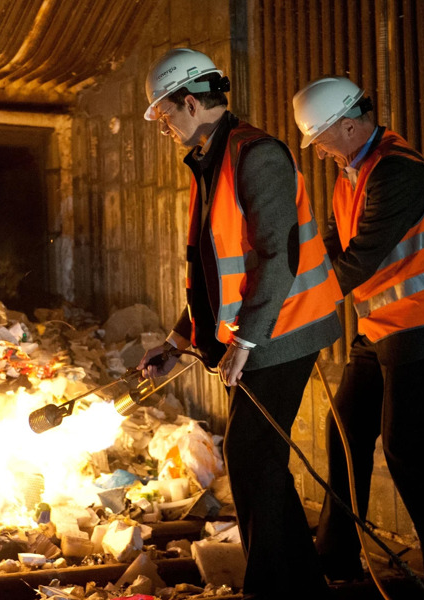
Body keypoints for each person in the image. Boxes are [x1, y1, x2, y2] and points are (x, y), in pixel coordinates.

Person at [137, 48, 343, 598]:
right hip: (259, 331)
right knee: (257, 456)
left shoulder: (256, 155)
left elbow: (279, 256)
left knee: (251, 454)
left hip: (285, 329)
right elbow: (213, 272)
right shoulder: (211, 158)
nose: (163, 126)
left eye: (164, 114)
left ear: (189, 101)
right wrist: (179, 339)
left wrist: (246, 340)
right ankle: (299, 584)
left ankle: (271, 587)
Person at [292, 76, 424, 599]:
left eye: (323, 139)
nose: (321, 151)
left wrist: (294, 310)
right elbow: (335, 244)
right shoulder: (352, 170)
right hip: (383, 327)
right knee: (348, 428)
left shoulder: (396, 172)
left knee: (406, 450)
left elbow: (359, 259)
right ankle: (337, 555)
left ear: (349, 125)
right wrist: (294, 282)